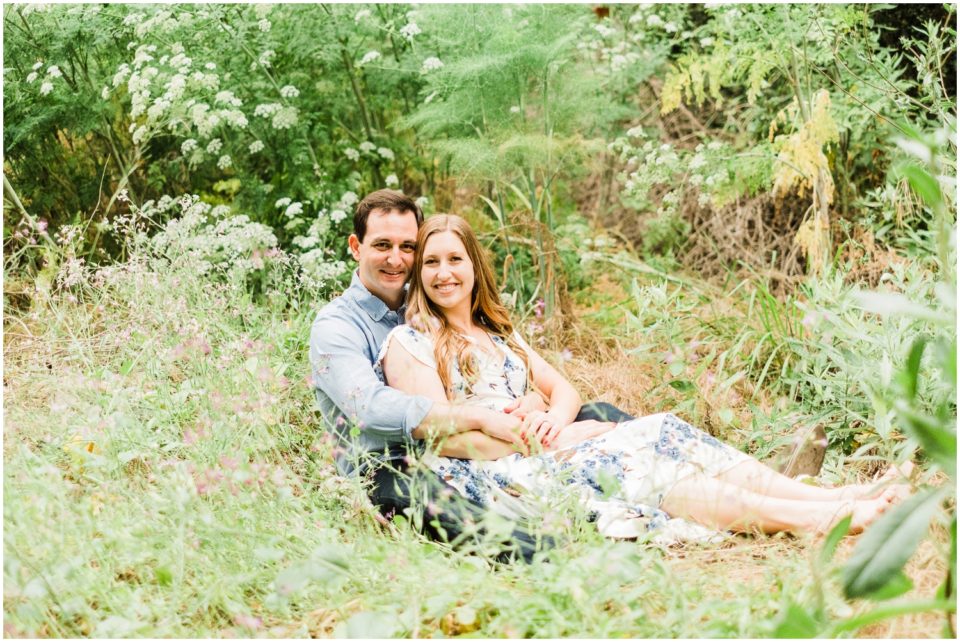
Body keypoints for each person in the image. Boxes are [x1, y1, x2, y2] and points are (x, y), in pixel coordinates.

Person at [378, 214, 912, 541]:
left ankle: (828, 497)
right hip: (508, 475)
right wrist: (542, 439)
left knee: (662, 428)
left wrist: (556, 419)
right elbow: (443, 434)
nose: (443, 272)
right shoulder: (413, 342)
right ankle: (813, 520)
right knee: (639, 459)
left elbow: (565, 390)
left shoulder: (499, 334)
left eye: (454, 259)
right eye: (430, 262)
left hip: (550, 445)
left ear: (474, 265)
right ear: (420, 275)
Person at [309, 190, 634, 561]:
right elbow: (368, 407)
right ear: (356, 246)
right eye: (382, 245)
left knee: (601, 415)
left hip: (477, 441)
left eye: (408, 247)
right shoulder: (337, 325)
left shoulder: (432, 295)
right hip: (393, 463)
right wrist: (483, 418)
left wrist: (534, 407)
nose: (396, 259)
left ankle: (657, 470)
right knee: (439, 505)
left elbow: (504, 372)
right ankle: (551, 556)